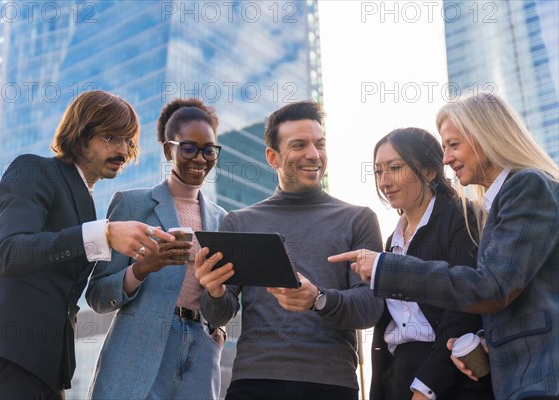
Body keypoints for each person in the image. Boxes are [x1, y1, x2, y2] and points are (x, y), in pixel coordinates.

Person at [330, 92, 559, 400]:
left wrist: (387, 268)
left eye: (453, 145)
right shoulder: (498, 205)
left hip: (540, 375)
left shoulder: (525, 187)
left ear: (486, 137)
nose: (447, 158)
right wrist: (482, 339)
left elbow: (493, 288)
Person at [0, 90, 175, 399]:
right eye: (112, 137)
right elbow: (9, 254)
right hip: (1, 361)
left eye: (129, 141)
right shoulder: (33, 170)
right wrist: (105, 234)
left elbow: (63, 301)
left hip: (43, 374)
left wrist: (56, 380)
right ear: (81, 135)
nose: (124, 150)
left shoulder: (86, 205)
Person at [194, 100, 384, 400]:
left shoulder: (359, 219)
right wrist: (214, 291)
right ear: (273, 157)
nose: (313, 154)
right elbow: (219, 314)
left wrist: (318, 299)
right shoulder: (239, 222)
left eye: (319, 144)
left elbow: (370, 309)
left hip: (330, 383)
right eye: (299, 145)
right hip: (254, 381)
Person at [86, 98, 227, 400]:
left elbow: (227, 304)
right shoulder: (131, 203)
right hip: (139, 349)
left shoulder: (223, 220)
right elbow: (97, 295)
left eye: (208, 150)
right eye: (188, 148)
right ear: (169, 149)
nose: (200, 158)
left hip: (200, 355)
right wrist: (140, 269)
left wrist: (217, 325)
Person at [367, 128, 493, 400]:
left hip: (450, 378)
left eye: (395, 167)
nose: (384, 181)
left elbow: (464, 308)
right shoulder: (392, 241)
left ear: (429, 172)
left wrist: (426, 387)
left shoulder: (462, 216)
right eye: (378, 171)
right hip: (397, 376)